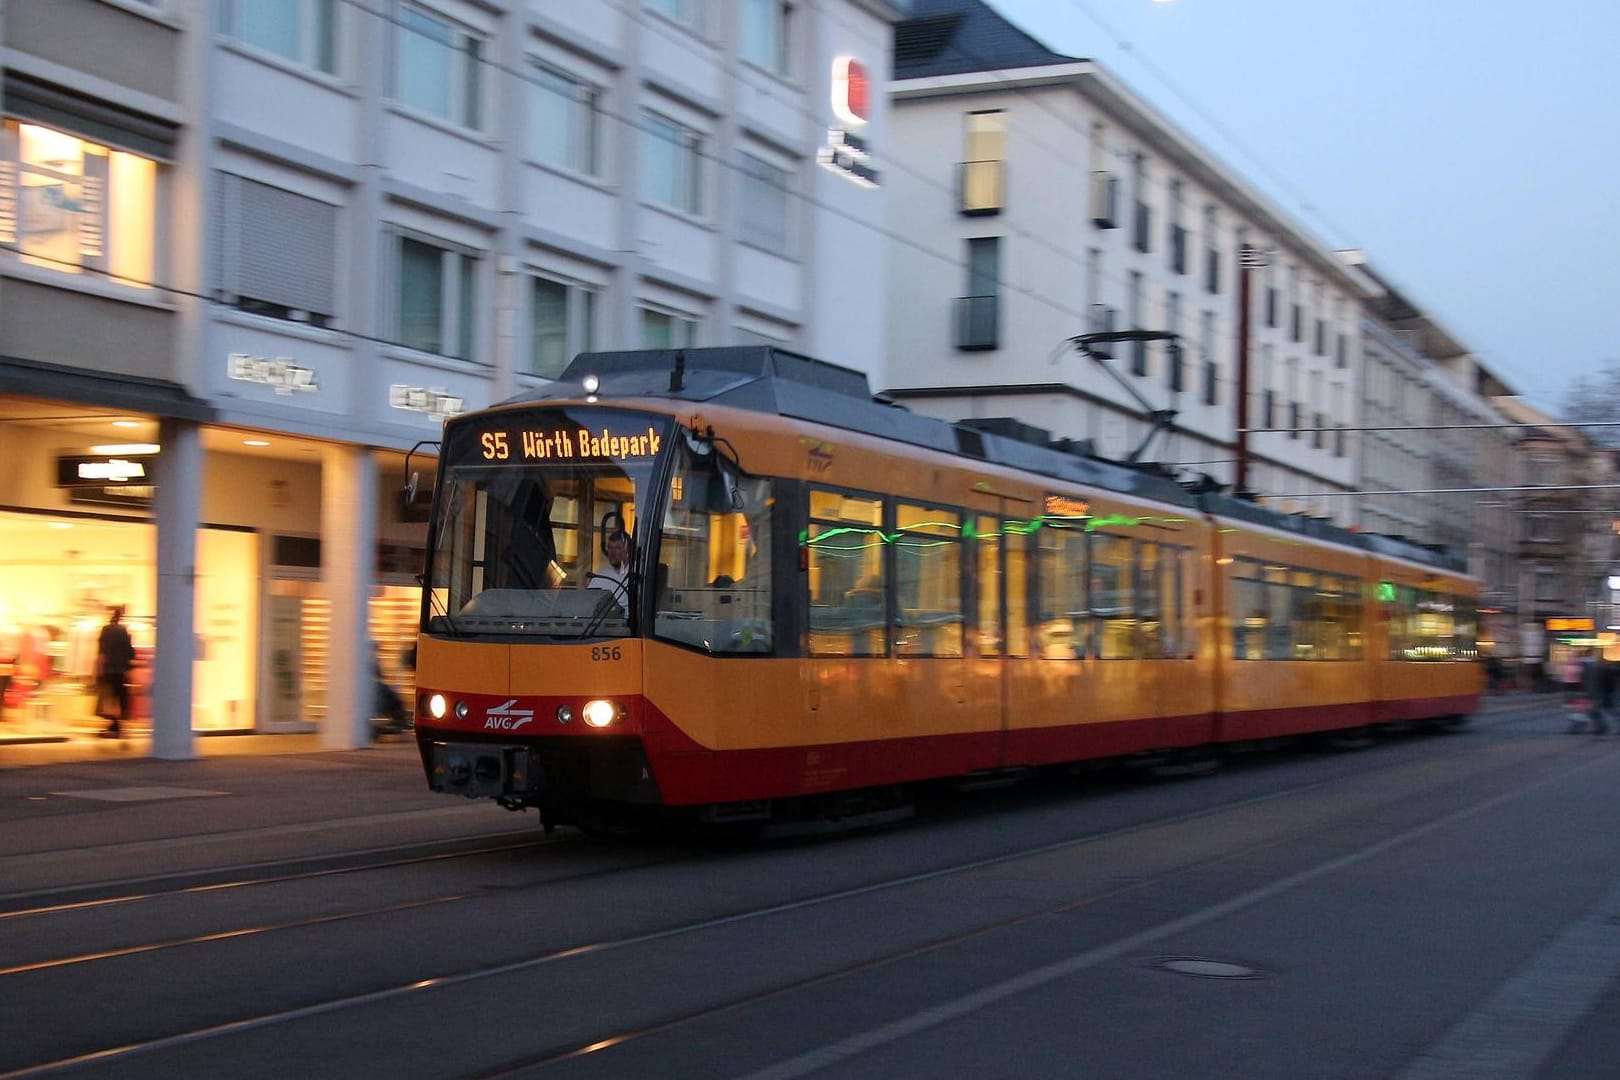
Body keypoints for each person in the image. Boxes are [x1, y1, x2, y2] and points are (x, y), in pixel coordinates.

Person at [95, 606, 135, 738]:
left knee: (108, 697)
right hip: (120, 670)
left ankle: (114, 723)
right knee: (119, 697)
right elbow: (129, 652)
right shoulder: (124, 631)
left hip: (108, 669)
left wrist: (99, 670)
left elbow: (101, 651)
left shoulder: (106, 630)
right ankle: (116, 723)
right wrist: (128, 666)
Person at [588, 524, 632, 614]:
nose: (612, 553)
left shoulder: (638, 574)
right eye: (610, 548)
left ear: (628, 550)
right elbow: (589, 605)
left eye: (617, 548)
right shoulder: (600, 577)